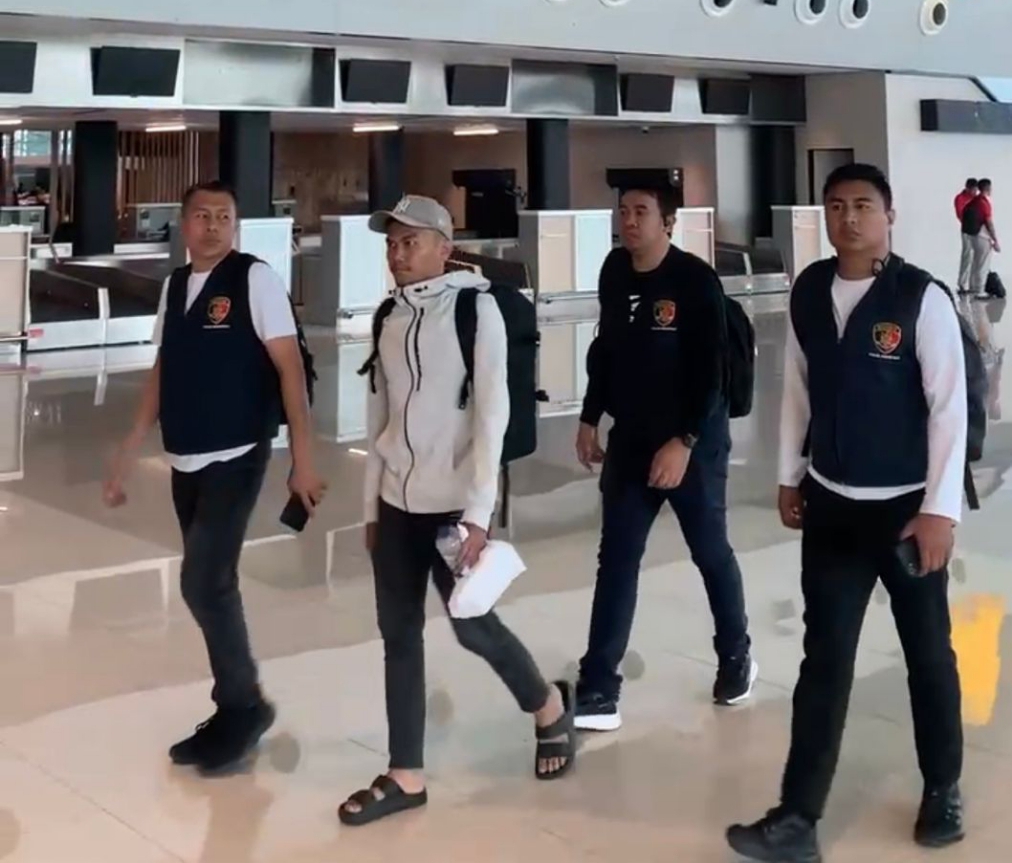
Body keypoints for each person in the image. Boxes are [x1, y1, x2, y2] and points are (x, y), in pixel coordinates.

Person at [727, 163, 967, 861]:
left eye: (863, 205)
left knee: (928, 654)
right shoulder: (809, 290)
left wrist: (940, 512)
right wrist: (788, 475)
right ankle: (797, 817)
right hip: (831, 507)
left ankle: (943, 787)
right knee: (824, 661)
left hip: (906, 513)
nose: (849, 218)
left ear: (889, 215)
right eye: (836, 206)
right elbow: (797, 388)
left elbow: (949, 410)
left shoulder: (919, 298)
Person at [338, 195, 576, 828]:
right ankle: (405, 774)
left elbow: (492, 414)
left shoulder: (476, 309)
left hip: (452, 507)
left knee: (473, 627)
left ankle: (548, 707)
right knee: (398, 635)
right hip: (396, 504)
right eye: (392, 244)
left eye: (410, 242)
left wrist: (478, 512)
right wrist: (370, 509)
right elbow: (379, 416)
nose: (397, 254)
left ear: (444, 248)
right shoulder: (390, 314)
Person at [103, 181, 326, 774]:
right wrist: (130, 446)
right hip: (186, 455)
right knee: (212, 582)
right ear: (183, 224)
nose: (213, 226)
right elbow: (164, 367)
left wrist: (302, 458)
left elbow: (290, 370)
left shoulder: (254, 279)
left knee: (204, 583)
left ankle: (243, 706)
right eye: (201, 216)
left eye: (224, 217)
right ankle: (236, 706)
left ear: (236, 226)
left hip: (238, 451)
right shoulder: (176, 286)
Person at [572, 184, 755, 733]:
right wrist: (589, 416)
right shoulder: (615, 271)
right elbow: (606, 350)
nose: (629, 221)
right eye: (623, 212)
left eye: (641, 212)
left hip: (693, 442)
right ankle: (599, 686)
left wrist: (686, 441)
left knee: (710, 551)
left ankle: (736, 656)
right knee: (617, 557)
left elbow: (713, 372)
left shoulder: (695, 280)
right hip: (631, 439)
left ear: (668, 222)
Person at [962, 177, 1000, 300]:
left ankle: (973, 287)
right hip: (982, 237)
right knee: (983, 264)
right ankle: (980, 291)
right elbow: (989, 223)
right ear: (988, 188)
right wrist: (995, 240)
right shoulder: (984, 203)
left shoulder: (974, 201)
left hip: (972, 236)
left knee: (976, 262)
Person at [955, 177, 979, 295]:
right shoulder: (960, 198)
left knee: (977, 257)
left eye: (976, 190)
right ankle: (962, 284)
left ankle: (974, 284)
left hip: (978, 229)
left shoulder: (977, 199)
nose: (975, 192)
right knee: (967, 255)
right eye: (973, 190)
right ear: (967, 188)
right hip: (967, 230)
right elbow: (960, 214)